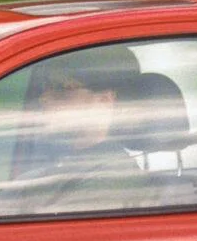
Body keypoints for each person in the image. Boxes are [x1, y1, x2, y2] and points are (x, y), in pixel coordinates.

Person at [15, 46, 154, 215]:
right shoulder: (56, 171)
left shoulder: (111, 181)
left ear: (104, 100)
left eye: (62, 88)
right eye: (46, 86)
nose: (43, 98)